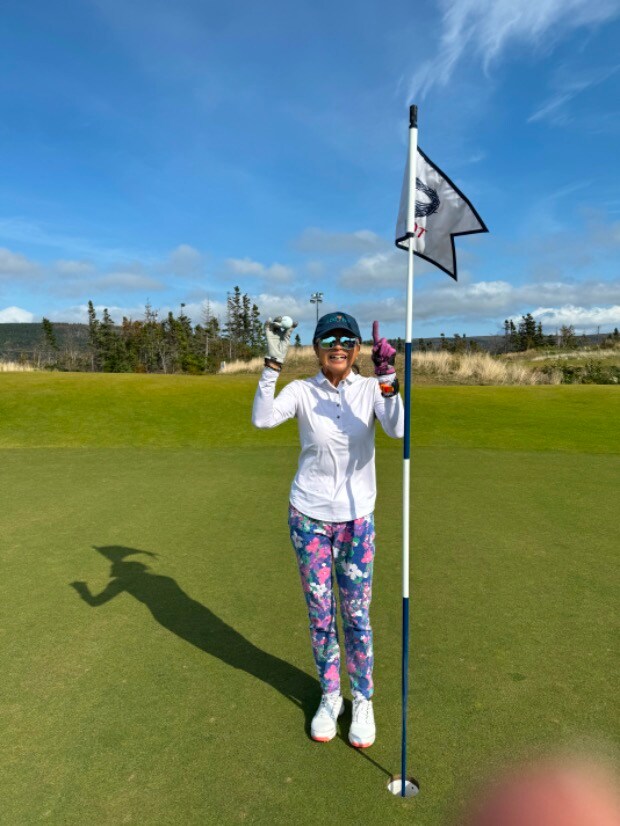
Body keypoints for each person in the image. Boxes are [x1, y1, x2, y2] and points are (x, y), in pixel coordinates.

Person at [252, 311, 404, 748]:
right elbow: (263, 419)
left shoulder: (371, 388)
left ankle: (363, 698)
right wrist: (272, 365)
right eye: (329, 339)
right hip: (309, 518)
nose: (338, 346)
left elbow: (397, 428)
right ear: (317, 348)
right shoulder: (302, 390)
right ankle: (331, 694)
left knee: (356, 615)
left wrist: (388, 377)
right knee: (321, 615)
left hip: (357, 519)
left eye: (346, 339)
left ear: (357, 349)